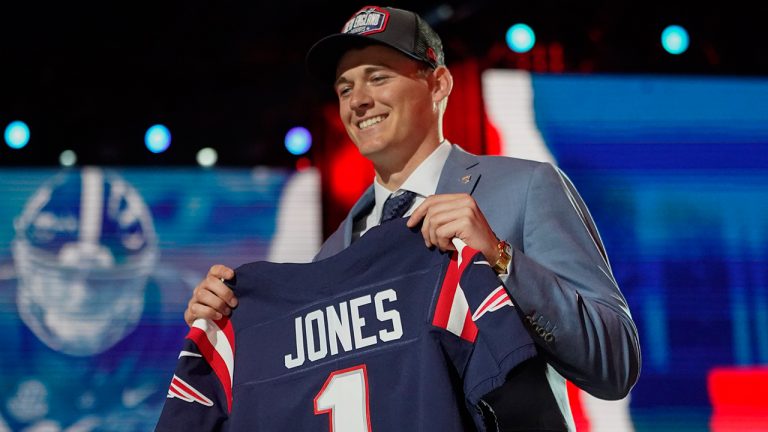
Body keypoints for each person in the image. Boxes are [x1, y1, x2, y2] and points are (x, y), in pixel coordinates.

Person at [183, 5, 640, 430]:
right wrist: (228, 324)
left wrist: (500, 259)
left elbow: (615, 362)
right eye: (345, 88)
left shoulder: (525, 189)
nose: (357, 101)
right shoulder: (332, 254)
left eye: (377, 78)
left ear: (438, 84)